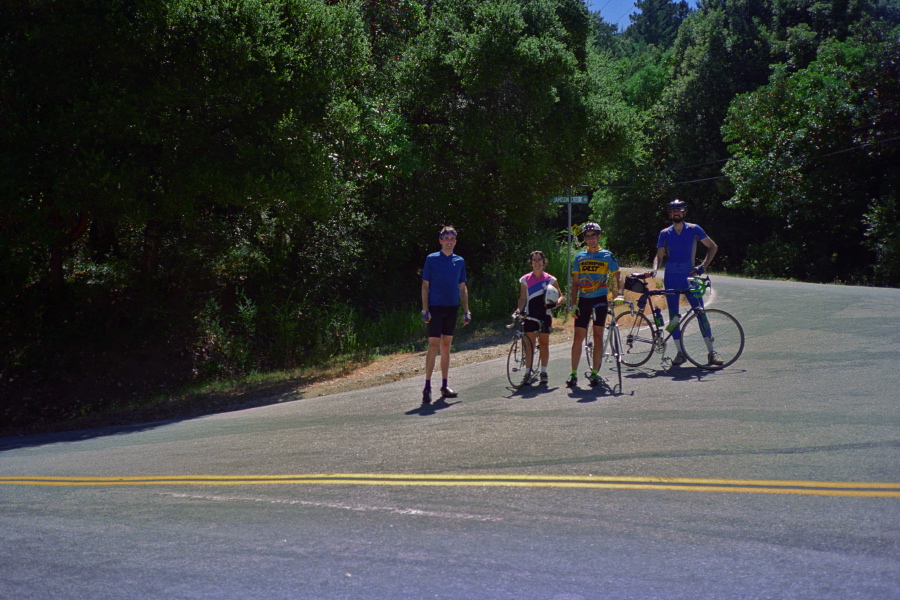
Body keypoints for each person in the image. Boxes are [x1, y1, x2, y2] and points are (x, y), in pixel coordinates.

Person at [647, 199, 722, 366]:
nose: (676, 213)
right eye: (672, 211)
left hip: (689, 276)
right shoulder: (665, 233)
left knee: (700, 312)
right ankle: (680, 353)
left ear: (684, 212)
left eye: (678, 210)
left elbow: (713, 247)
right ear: (669, 214)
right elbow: (659, 256)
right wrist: (654, 269)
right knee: (674, 316)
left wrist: (702, 267)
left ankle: (712, 352)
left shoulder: (694, 229)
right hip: (671, 277)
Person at [567, 222, 624, 388]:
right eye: (587, 236)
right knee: (578, 337)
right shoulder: (580, 256)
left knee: (598, 336)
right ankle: (573, 373)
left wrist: (619, 293)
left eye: (594, 236)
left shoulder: (607, 255)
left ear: (599, 237)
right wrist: (573, 304)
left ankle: (594, 374)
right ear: (584, 238)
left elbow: (618, 275)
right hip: (584, 300)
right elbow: (575, 282)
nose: (591, 239)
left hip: (600, 299)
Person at [421, 226, 471, 404]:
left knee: (446, 346)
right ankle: (427, 387)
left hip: (451, 307)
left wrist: (466, 311)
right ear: (440, 240)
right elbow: (425, 285)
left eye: (452, 238)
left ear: (455, 242)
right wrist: (425, 309)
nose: (449, 241)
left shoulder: (460, 261)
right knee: (433, 346)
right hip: (435, 307)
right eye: (446, 238)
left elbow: (462, 287)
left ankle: (444, 385)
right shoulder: (431, 259)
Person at [516, 250, 562, 385]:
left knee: (544, 344)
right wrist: (519, 310)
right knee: (528, 345)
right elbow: (523, 298)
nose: (537, 263)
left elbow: (561, 296)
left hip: (545, 315)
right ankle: (527, 373)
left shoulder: (550, 279)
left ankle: (543, 372)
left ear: (544, 262)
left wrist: (554, 305)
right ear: (531, 264)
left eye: (539, 260)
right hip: (530, 315)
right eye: (534, 261)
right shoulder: (525, 280)